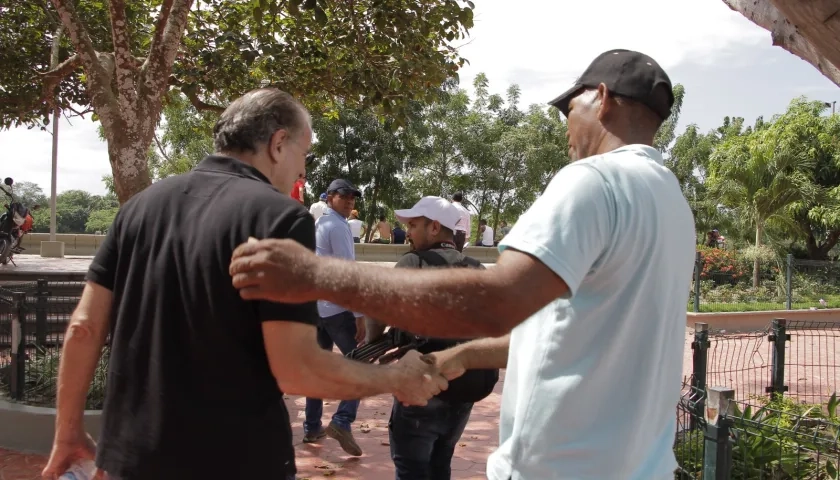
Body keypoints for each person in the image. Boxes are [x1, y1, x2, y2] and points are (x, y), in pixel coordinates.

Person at [229, 49, 697, 479]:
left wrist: (314, 274)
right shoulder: (670, 201)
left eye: (568, 108)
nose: (566, 126)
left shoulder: (593, 180)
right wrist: (467, 354)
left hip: (560, 464)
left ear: (602, 97)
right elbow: (575, 330)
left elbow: (498, 302)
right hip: (638, 465)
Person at [41, 88, 448, 480]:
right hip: (236, 460)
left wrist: (67, 432)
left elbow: (84, 327)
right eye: (303, 154)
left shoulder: (139, 207)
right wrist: (396, 377)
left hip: (128, 457)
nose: (302, 171)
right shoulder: (281, 217)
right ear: (278, 143)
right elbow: (299, 368)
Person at [365, 196, 499, 480]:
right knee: (441, 461)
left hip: (422, 387)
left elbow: (376, 309)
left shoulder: (413, 263)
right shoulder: (477, 268)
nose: (409, 232)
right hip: (466, 388)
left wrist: (371, 342)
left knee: (411, 468)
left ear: (435, 227)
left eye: (414, 225)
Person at [305, 178, 366, 456]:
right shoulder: (337, 227)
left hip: (318, 307)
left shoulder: (321, 223)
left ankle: (312, 425)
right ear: (330, 197)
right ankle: (341, 420)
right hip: (336, 309)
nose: (350, 200)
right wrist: (359, 315)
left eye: (352, 196)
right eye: (343, 196)